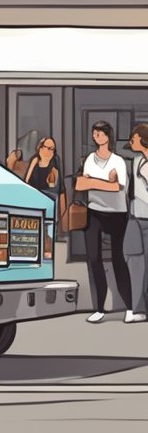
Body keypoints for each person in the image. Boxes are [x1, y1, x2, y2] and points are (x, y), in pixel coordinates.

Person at [75, 120, 132, 323]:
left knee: (119, 259)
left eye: (100, 133)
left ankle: (130, 307)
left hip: (117, 214)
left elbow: (118, 188)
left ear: (108, 136)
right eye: (94, 133)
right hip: (94, 212)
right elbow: (81, 183)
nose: (97, 136)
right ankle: (99, 308)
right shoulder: (90, 158)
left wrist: (94, 182)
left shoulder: (118, 161)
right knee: (94, 260)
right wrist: (105, 182)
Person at [124, 124, 148, 323]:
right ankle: (138, 308)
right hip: (135, 217)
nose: (131, 141)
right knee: (134, 259)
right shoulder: (136, 161)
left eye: (134, 138)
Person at [23, 137, 66, 210]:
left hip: (48, 199)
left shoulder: (55, 162)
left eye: (52, 149)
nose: (50, 151)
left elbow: (57, 188)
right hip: (34, 197)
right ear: (41, 148)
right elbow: (26, 181)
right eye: (48, 148)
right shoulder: (35, 160)